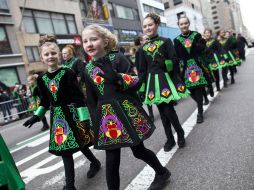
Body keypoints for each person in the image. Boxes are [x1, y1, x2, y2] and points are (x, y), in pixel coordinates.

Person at [82, 24, 170, 190]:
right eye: (85, 41)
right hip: (107, 120)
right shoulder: (87, 69)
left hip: (125, 113)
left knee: (139, 151)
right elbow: (91, 100)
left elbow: (136, 82)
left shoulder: (118, 58)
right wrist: (92, 123)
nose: (89, 44)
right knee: (112, 161)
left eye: (94, 39)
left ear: (105, 40)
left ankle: (162, 172)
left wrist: (117, 77)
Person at [23, 35, 101, 190]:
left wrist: (84, 119)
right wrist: (37, 115)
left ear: (58, 55)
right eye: (46, 54)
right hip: (58, 119)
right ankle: (94, 163)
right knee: (70, 148)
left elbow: (78, 97)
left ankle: (70, 185)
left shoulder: (68, 73)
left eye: (53, 53)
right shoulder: (42, 79)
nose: (50, 56)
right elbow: (45, 101)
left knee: (75, 145)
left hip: (72, 115)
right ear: (42, 58)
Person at [138, 13, 189, 152]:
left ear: (156, 25)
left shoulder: (166, 41)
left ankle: (178, 133)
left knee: (168, 110)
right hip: (152, 84)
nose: (147, 28)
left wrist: (165, 63)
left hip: (165, 81)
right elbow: (142, 70)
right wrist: (141, 89)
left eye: (150, 25)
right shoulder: (142, 48)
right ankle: (170, 138)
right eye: (145, 26)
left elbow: (175, 60)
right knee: (162, 111)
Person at [174, 16, 210, 124]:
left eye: (185, 23)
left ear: (189, 24)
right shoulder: (176, 40)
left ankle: (200, 112)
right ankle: (201, 101)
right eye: (181, 24)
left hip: (197, 65)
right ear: (179, 26)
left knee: (198, 89)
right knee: (190, 90)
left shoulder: (196, 35)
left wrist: (202, 43)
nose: (184, 25)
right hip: (184, 69)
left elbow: (201, 49)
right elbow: (177, 56)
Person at [134, 34, 155, 122]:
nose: (147, 41)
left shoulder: (152, 49)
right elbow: (139, 67)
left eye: (148, 39)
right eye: (145, 39)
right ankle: (150, 114)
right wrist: (140, 79)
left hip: (154, 74)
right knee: (148, 95)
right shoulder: (139, 51)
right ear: (141, 41)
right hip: (145, 77)